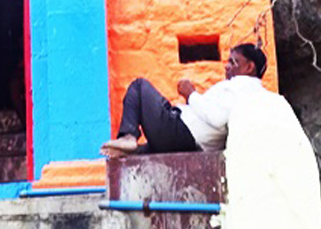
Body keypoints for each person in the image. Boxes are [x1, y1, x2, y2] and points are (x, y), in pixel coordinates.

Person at [100, 43, 268, 157]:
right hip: (189, 141)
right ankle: (130, 148)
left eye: (233, 62)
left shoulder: (241, 87)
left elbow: (217, 119)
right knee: (136, 153)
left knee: (139, 86)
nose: (227, 66)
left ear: (249, 67)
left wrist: (191, 94)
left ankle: (128, 136)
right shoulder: (249, 93)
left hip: (181, 133)